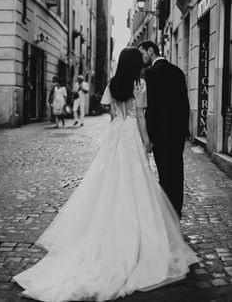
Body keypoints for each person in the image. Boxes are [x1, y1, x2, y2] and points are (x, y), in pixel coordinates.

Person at [13, 47, 197, 302]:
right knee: (137, 183)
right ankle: (137, 235)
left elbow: (112, 115)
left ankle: (106, 228)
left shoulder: (113, 84)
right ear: (135, 64)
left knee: (110, 181)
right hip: (132, 134)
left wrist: (119, 129)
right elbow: (141, 117)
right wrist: (146, 142)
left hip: (116, 136)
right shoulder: (139, 84)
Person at [138, 40, 190, 219]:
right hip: (177, 133)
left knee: (165, 173)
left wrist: (149, 137)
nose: (141, 57)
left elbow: (150, 109)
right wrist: (184, 131)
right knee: (177, 171)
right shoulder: (178, 72)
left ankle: (166, 214)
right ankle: (176, 210)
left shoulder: (150, 74)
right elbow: (185, 104)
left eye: (142, 53)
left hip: (160, 134)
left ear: (150, 51)